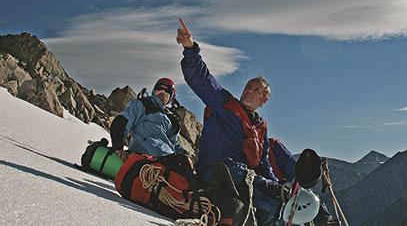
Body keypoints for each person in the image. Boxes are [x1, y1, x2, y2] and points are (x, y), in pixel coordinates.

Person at [177, 18, 283, 225]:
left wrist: (276, 185)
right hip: (215, 170)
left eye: (256, 90)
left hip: (243, 178)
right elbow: (203, 80)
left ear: (263, 101)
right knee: (247, 181)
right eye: (249, 86)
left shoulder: (261, 128)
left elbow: (263, 164)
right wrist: (190, 49)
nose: (249, 91)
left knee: (275, 206)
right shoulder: (224, 103)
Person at [110, 78, 185, 161]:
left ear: (171, 97)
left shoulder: (171, 119)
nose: (162, 92)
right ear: (154, 91)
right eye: (159, 89)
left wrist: (185, 157)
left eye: (167, 91)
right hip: (143, 156)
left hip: (167, 158)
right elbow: (122, 121)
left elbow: (175, 144)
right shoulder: (143, 104)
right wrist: (118, 147)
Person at [268, 138, 338, 225]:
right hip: (284, 187)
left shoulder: (263, 145)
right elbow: (291, 168)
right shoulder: (272, 145)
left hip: (269, 188)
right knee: (310, 198)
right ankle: (324, 221)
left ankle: (324, 220)